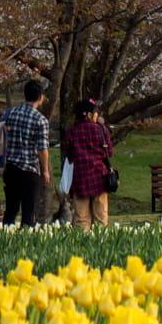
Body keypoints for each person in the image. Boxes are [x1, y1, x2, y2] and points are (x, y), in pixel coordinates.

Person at [0, 77, 51, 228]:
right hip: (30, 170)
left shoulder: (9, 114)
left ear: (25, 95)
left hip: (11, 168)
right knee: (29, 212)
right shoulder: (40, 120)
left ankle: (5, 237)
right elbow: (42, 149)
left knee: (10, 210)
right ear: (40, 97)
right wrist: (45, 170)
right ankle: (25, 240)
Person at [64, 98, 115, 228]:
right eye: (95, 113)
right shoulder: (101, 130)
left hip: (80, 179)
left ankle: (83, 241)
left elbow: (69, 155)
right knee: (101, 219)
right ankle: (100, 240)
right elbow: (109, 152)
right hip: (100, 178)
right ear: (89, 115)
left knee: (81, 219)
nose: (97, 115)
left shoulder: (71, 131)